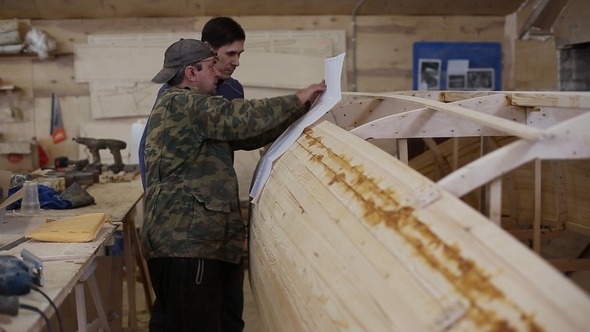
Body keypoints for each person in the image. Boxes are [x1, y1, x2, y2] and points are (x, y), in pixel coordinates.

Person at [142, 38, 326, 331]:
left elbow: (247, 135)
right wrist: (297, 98)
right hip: (188, 245)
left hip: (202, 244)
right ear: (191, 73)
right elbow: (240, 118)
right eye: (212, 66)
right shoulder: (183, 103)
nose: (218, 73)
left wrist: (301, 111)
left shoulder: (196, 112)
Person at [138, 17, 247, 331]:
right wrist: (167, 209)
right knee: (182, 314)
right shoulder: (177, 96)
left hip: (218, 223)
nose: (236, 62)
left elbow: (241, 132)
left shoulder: (231, 89)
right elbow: (148, 150)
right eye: (229, 55)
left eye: (241, 54)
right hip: (187, 230)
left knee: (226, 314)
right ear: (207, 55)